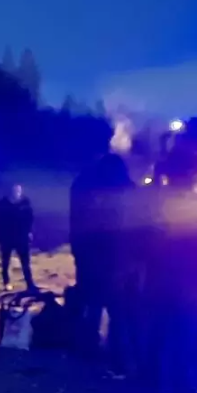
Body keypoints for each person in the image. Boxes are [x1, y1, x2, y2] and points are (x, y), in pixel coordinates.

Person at [143, 147, 197, 393]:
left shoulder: (159, 196)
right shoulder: (186, 199)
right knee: (182, 332)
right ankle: (181, 387)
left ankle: (151, 381)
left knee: (158, 329)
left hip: (159, 273)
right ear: (190, 172)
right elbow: (192, 241)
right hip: (182, 275)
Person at [69, 153, 135, 362]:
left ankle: (88, 346)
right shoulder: (123, 187)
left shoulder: (82, 184)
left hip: (87, 254)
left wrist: (78, 250)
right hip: (114, 257)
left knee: (92, 302)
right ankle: (117, 353)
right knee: (118, 308)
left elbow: (76, 220)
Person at [0, 183, 36, 291]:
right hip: (7, 237)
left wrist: (29, 231)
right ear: (10, 192)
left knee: (25, 262)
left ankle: (30, 285)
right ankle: (6, 282)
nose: (17, 193)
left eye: (19, 191)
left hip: (22, 237)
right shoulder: (1, 204)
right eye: (15, 191)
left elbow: (30, 218)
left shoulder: (25, 202)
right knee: (6, 261)